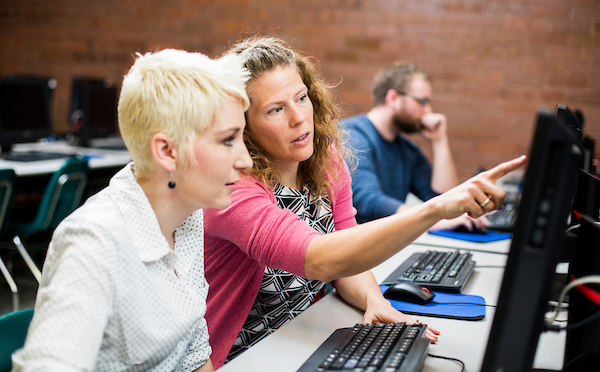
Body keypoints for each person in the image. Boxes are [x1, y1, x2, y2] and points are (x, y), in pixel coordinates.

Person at [203, 36, 526, 368]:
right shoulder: (230, 188)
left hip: (304, 335)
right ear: (242, 125)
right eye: (275, 109)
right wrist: (434, 209)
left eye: (302, 98)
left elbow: (346, 254)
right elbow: (319, 258)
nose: (299, 118)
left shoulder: (324, 159)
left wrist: (375, 300)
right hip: (240, 357)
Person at [12, 48, 253, 371]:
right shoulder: (93, 243)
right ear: (167, 152)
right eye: (228, 140)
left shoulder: (189, 216)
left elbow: (195, 355)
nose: (246, 160)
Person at [342, 61, 485, 230]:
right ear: (393, 99)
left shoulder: (406, 149)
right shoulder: (350, 135)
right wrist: (430, 219)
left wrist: (439, 141)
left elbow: (443, 201)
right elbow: (367, 200)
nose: (428, 111)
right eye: (422, 101)